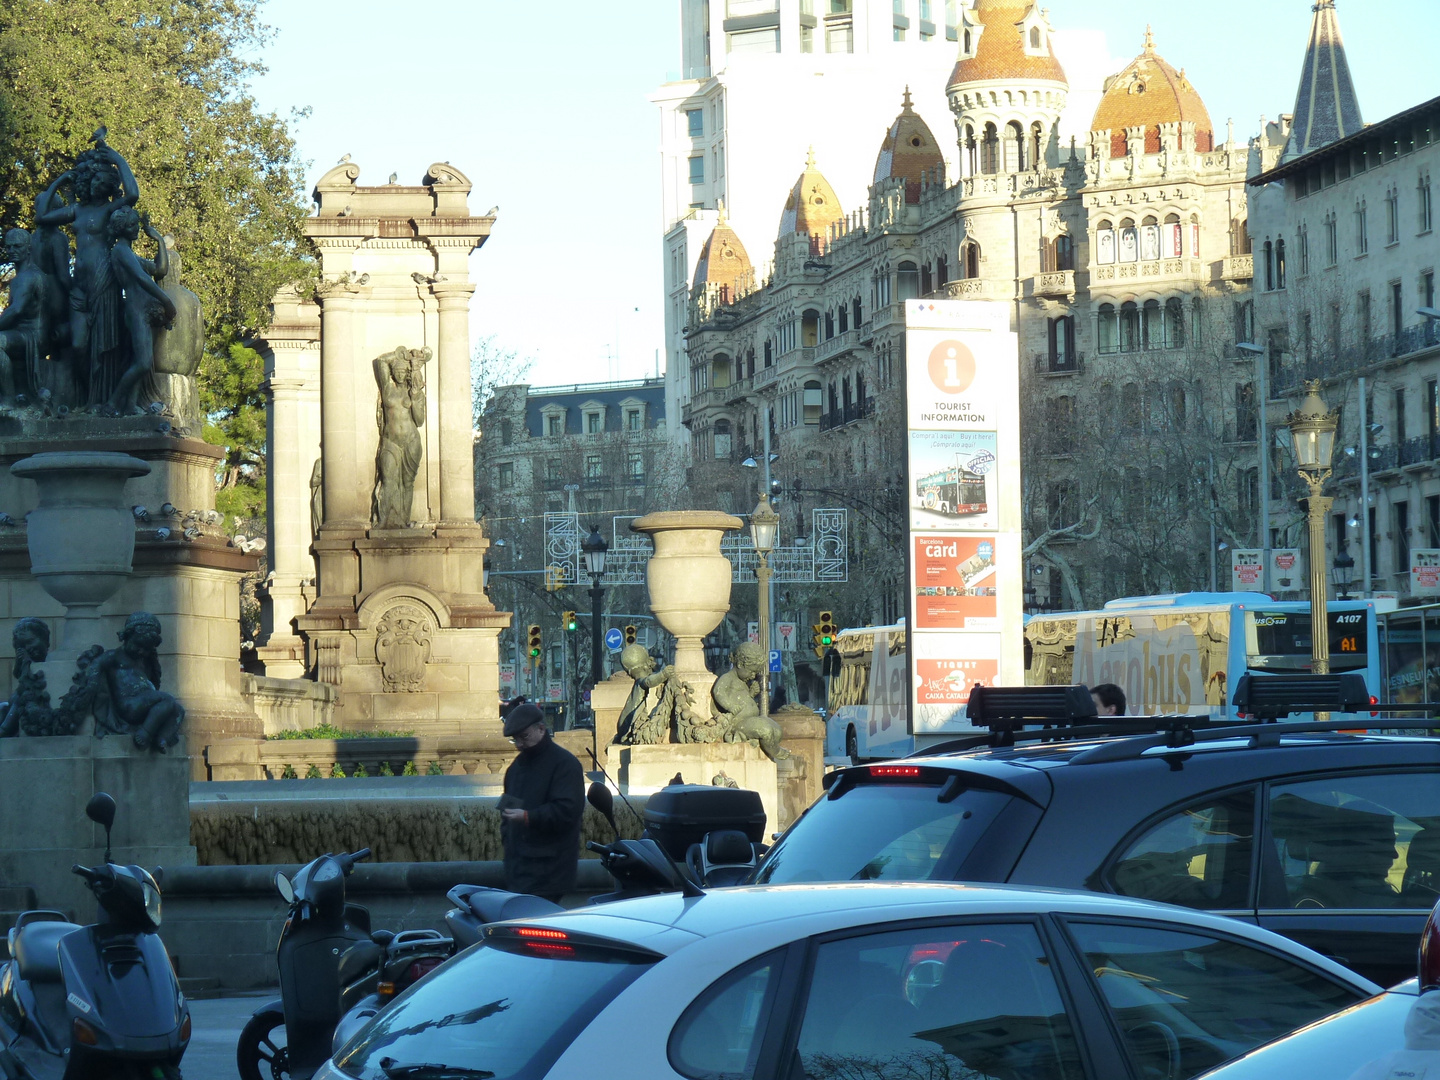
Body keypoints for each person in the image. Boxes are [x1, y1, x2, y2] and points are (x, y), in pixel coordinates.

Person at [499, 700, 583, 903]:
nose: (519, 745)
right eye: (515, 740)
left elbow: (568, 810)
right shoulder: (515, 769)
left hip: (550, 869)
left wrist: (528, 817)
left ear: (541, 729)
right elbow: (506, 814)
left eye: (524, 737)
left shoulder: (565, 764)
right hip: (519, 868)